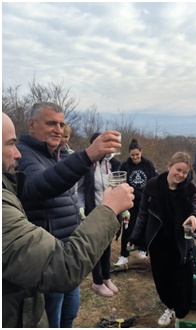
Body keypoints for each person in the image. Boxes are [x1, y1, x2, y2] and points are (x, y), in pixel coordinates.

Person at [2, 112, 134, 328]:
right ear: (32, 125)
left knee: (68, 316)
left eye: (61, 124)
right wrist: (88, 156)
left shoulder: (60, 155)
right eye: (51, 123)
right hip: (47, 261)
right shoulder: (28, 155)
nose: (59, 129)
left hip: (68, 248)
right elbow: (38, 185)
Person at [128, 151, 196, 327]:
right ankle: (169, 307)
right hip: (158, 243)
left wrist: (195, 218)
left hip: (181, 243)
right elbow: (143, 214)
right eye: (178, 170)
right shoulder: (152, 186)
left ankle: (181, 314)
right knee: (162, 280)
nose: (181, 175)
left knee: (183, 281)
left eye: (185, 172)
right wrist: (136, 237)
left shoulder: (190, 189)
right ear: (169, 166)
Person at [77, 133, 122, 297]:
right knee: (95, 247)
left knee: (107, 245)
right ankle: (97, 282)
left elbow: (118, 187)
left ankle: (106, 277)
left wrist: (124, 209)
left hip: (110, 211)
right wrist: (81, 207)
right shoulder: (86, 165)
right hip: (93, 211)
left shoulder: (115, 164)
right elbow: (80, 189)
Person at [116, 138, 158, 266]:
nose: (135, 157)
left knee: (146, 227)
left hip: (146, 202)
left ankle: (143, 249)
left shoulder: (148, 165)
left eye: (137, 155)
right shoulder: (125, 165)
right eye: (132, 155)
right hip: (130, 202)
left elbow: (154, 182)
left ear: (141, 152)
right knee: (128, 228)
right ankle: (124, 254)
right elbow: (121, 183)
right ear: (129, 154)